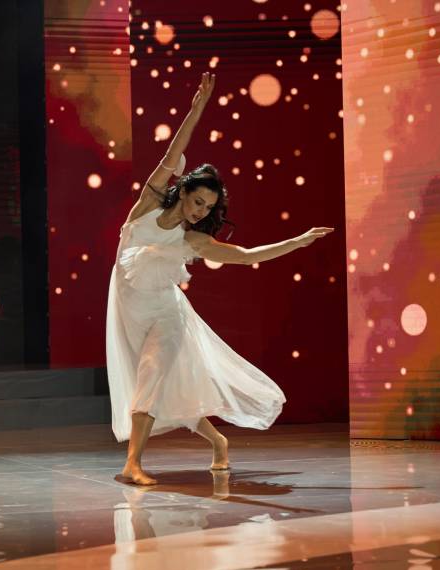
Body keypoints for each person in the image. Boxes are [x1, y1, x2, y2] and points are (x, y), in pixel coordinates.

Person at [106, 72, 333, 485]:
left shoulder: (193, 239)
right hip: (128, 310)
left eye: (208, 208)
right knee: (167, 387)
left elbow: (246, 257)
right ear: (183, 191)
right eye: (197, 201)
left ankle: (132, 465)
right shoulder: (148, 205)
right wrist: (197, 108)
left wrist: (297, 242)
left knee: (152, 375)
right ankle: (218, 442)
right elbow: (174, 151)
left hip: (166, 314)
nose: (200, 211)